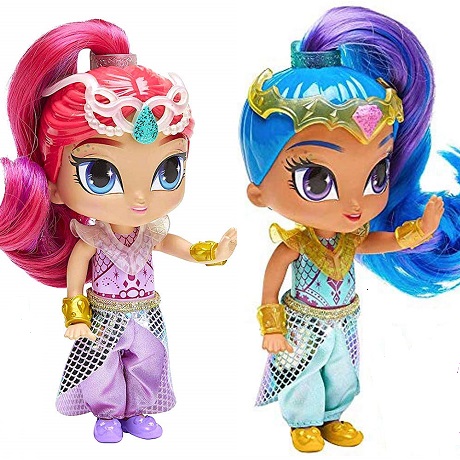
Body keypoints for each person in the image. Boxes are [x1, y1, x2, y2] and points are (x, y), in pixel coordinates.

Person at [0, 19, 236, 443]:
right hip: (103, 314)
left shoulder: (150, 231)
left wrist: (207, 252)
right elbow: (77, 277)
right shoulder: (92, 237)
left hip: (146, 310)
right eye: (101, 174)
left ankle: (139, 407)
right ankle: (107, 412)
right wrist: (76, 315)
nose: (140, 197)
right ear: (54, 185)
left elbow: (173, 244)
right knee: (101, 365)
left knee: (149, 359)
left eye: (169, 169)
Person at [240, 6, 460, 453]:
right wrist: (271, 326)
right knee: (302, 370)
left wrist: (414, 233)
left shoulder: (351, 237)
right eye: (317, 181)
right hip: (302, 322)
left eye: (377, 174)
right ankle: (304, 420)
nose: (355, 204)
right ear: (259, 192)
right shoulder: (294, 245)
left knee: (342, 370)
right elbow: (270, 288)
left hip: (345, 317)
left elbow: (375, 243)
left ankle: (334, 414)